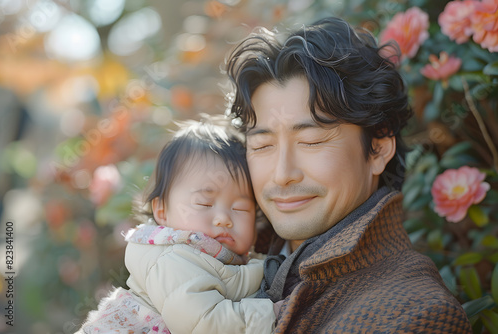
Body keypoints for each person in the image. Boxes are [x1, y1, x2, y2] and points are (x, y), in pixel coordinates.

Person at [225, 17, 472, 333]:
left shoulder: (417, 315)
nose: (282, 174)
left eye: (311, 141)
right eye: (262, 145)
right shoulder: (210, 255)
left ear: (379, 149)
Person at [77, 116, 276, 333]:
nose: (224, 218)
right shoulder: (173, 258)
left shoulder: (227, 259)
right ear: (162, 211)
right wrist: (273, 313)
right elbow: (204, 324)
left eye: (240, 208)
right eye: (204, 203)